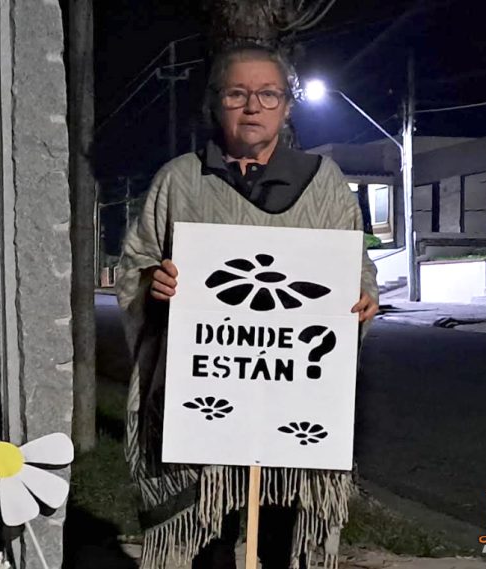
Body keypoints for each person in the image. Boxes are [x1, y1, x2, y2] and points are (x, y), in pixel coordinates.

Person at [116, 43, 379, 569]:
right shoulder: (180, 181)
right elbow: (136, 264)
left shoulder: (322, 182)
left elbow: (356, 264)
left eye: (268, 94)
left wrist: (363, 297)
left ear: (286, 105)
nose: (253, 106)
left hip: (292, 395)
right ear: (216, 102)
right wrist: (153, 285)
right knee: (207, 533)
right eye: (238, 93)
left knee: (284, 527)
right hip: (208, 389)